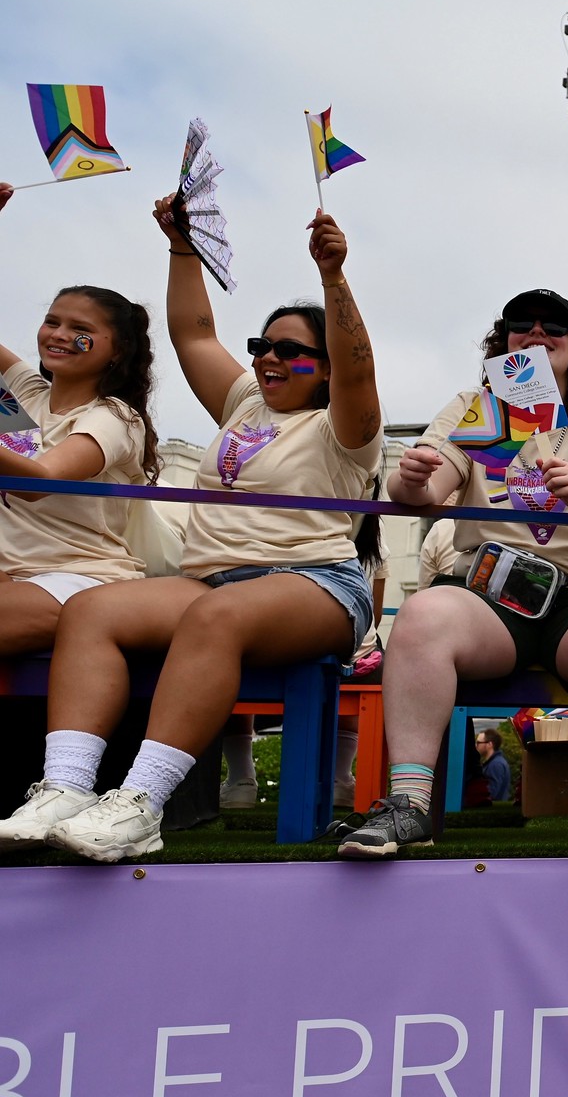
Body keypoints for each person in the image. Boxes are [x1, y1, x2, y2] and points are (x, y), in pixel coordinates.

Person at [0, 204, 383, 860]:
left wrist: (334, 276)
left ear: (322, 367)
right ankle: (63, 789)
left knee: (218, 615)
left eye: (290, 352)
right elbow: (195, 334)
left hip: (314, 583)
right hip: (211, 581)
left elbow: (358, 370)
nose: (267, 358)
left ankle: (142, 804)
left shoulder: (343, 426)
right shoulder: (242, 404)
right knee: (90, 611)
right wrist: (181, 246)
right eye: (262, 346)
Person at [344, 289, 568, 859]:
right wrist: (413, 478)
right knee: (421, 614)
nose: (537, 334)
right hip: (492, 597)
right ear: (504, 340)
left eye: (554, 328)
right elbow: (423, 491)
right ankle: (409, 805)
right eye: (523, 325)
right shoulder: (478, 408)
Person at [0, 282, 160, 658]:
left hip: (75, 581)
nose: (60, 335)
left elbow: (38, 482)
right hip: (12, 577)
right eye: (51, 322)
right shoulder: (25, 392)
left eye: (81, 330)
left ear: (117, 351)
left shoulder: (115, 417)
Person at [475, 727, 512, 803]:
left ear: (489, 744)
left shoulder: (496, 764)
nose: (476, 746)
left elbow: (491, 793)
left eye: (478, 743)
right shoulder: (496, 762)